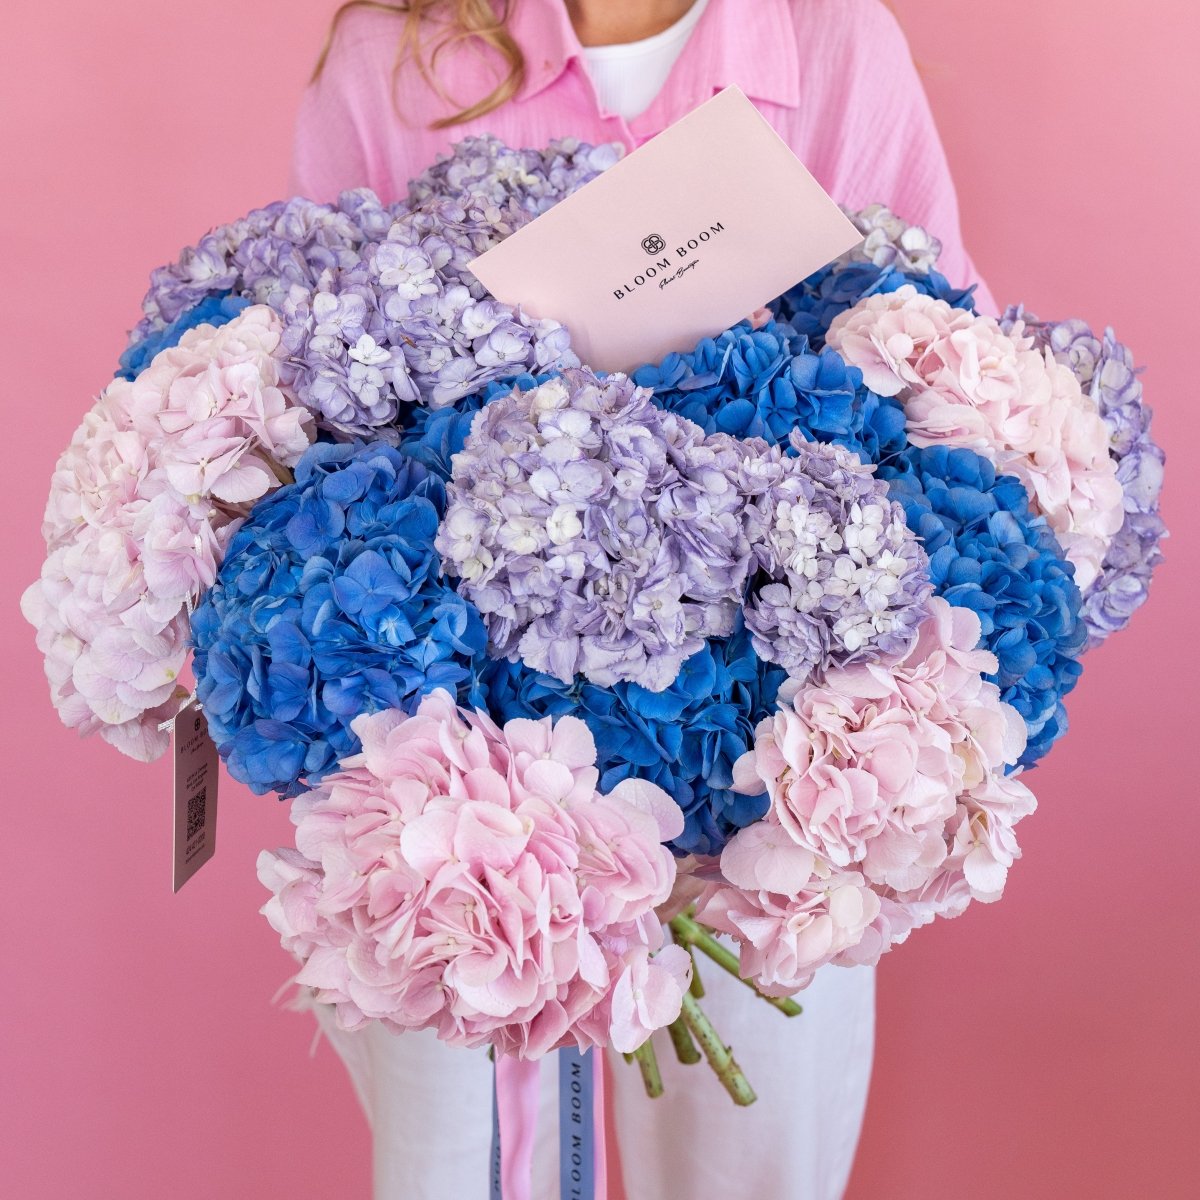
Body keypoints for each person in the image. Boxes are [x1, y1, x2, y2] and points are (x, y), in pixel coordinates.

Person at [290, 3, 994, 1198]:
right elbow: (317, 393)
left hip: (760, 770)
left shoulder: (830, 44)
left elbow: (936, 376)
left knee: (751, 1167)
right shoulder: (389, 58)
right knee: (455, 1169)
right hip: (460, 785)